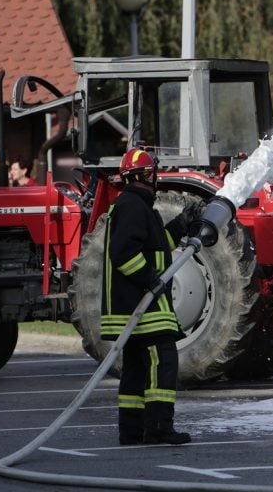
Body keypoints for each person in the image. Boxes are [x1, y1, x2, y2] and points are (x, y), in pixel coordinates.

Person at [102, 148, 190, 446]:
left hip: (135, 304)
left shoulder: (134, 206)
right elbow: (123, 253)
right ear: (146, 175)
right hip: (143, 304)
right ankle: (158, 429)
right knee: (162, 361)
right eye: (152, 172)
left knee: (136, 367)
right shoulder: (132, 206)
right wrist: (150, 279)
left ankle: (131, 431)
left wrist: (179, 227)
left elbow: (155, 245)